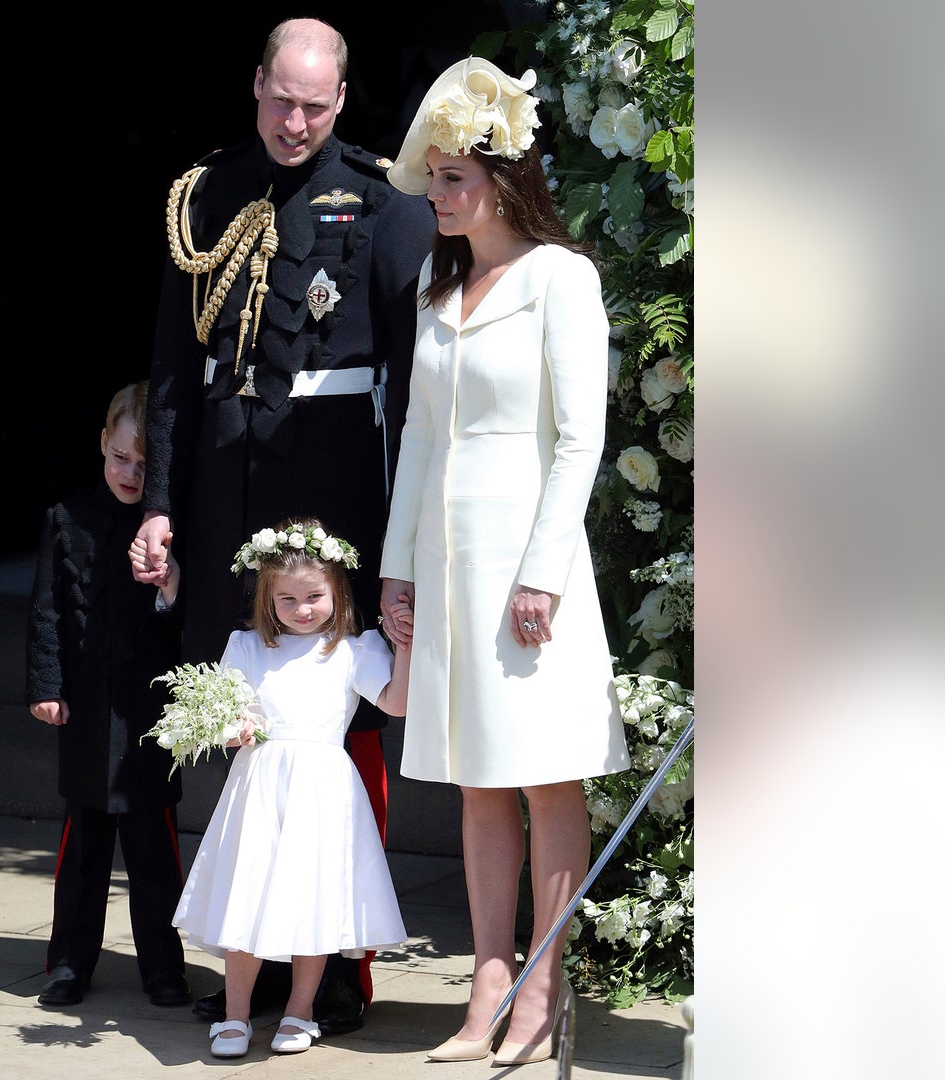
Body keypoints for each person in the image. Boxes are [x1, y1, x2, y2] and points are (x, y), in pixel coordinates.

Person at [132, 16, 434, 1033]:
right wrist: (164, 501)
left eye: (314, 104)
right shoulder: (206, 195)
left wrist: (407, 534)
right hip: (227, 486)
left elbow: (418, 376)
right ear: (254, 84)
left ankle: (339, 961)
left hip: (334, 482)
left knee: (338, 724)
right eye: (279, 98)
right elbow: (176, 369)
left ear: (342, 101)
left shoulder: (386, 203)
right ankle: (249, 958)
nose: (293, 121)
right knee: (235, 714)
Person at [375, 57, 631, 1065]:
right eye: (432, 177)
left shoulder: (561, 278)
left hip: (529, 565)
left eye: (452, 178)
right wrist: (399, 571)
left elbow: (580, 438)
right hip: (448, 565)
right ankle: (485, 987)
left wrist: (544, 572)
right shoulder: (440, 288)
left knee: (543, 780)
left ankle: (540, 989)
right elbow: (422, 442)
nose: (436, 195)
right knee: (479, 782)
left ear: (502, 180)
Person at [169, 517, 413, 1058]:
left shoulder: (354, 650)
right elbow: (226, 713)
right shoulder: (247, 646)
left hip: (323, 789)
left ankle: (299, 1010)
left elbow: (395, 702)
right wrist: (233, 729)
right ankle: (235, 1014)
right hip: (259, 786)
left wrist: (407, 646)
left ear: (336, 591)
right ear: (267, 597)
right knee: (246, 894)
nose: (302, 609)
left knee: (312, 899)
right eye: (287, 599)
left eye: (314, 596)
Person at [25, 380, 192, 1010]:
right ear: (101, 443)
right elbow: (47, 612)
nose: (129, 472)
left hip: (149, 711)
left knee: (154, 848)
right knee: (84, 845)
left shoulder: (171, 531)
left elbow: (184, 620)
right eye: (120, 456)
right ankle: (68, 962)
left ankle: (162, 965)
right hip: (89, 711)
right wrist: (47, 687)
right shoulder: (67, 518)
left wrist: (171, 585)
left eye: (144, 464)